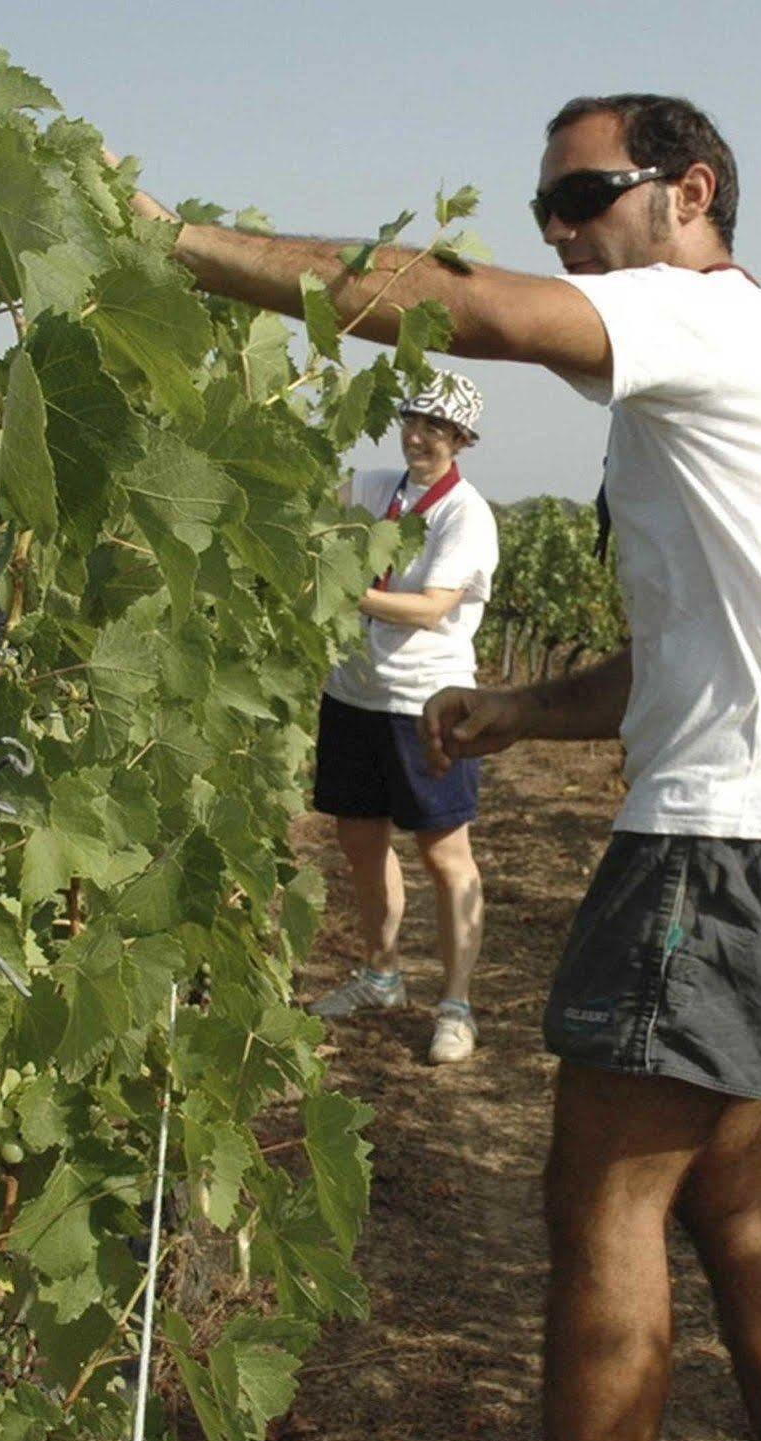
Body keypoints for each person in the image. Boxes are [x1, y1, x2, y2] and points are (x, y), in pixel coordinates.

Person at [121, 93, 761, 1441]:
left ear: (688, 192)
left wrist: (184, 248)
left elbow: (466, 308)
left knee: (602, 1202)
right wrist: (522, 712)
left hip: (726, 849)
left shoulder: (689, 317)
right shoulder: (746, 362)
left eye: (582, 196)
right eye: (542, 208)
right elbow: (703, 650)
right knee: (732, 1191)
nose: (557, 232)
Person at [308, 375, 497, 1066]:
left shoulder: (464, 515)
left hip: (427, 703)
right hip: (354, 693)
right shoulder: (374, 486)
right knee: (359, 839)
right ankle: (381, 973)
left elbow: (431, 607)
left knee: (444, 855)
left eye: (436, 429)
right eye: (412, 420)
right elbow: (315, 507)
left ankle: (456, 1005)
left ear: (462, 441)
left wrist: (342, 589)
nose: (418, 436)